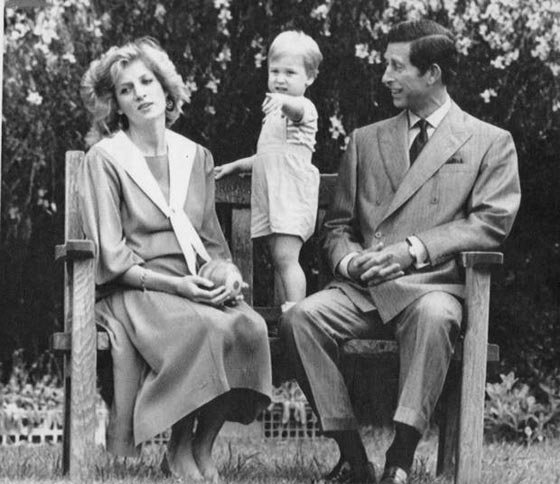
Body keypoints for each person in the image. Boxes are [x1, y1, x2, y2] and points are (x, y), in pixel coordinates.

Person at [280, 19, 521, 484]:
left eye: (396, 66)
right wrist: (350, 261)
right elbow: (337, 227)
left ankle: (400, 458)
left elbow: (490, 223)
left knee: (436, 316)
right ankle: (353, 459)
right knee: (300, 319)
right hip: (362, 291)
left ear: (432, 73)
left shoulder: (489, 142)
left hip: (431, 287)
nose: (385, 76)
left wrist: (412, 251)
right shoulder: (365, 139)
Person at [79, 37, 272, 483]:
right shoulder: (105, 160)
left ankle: (201, 446)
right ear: (116, 105)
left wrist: (226, 273)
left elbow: (212, 244)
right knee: (203, 327)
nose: (140, 93)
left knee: (249, 326)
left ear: (166, 89)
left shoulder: (195, 156)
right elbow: (111, 256)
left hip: (191, 284)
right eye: (126, 89)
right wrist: (176, 286)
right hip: (135, 288)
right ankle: (179, 448)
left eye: (147, 81)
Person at [214, 30, 323, 312]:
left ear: (309, 78)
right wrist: (236, 166)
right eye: (275, 71)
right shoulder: (273, 114)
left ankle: (298, 312)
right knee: (280, 258)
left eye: (290, 73)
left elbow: (297, 110)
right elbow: (266, 157)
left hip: (291, 196)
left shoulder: (303, 108)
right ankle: (289, 308)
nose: (280, 79)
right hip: (275, 197)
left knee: (287, 258)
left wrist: (283, 102)